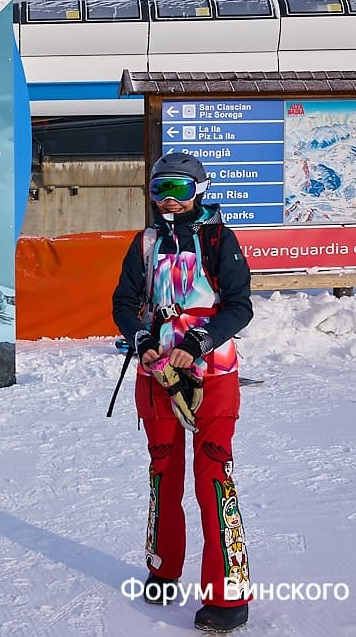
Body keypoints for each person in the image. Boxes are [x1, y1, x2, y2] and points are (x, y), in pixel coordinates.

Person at [111, 151, 254, 633]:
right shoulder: (146, 242)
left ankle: (227, 594)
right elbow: (124, 302)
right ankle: (163, 567)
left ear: (200, 190)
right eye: (160, 190)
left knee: (213, 472)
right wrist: (144, 340)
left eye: (179, 190)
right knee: (163, 471)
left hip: (210, 376)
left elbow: (239, 307)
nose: (169, 201)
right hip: (158, 378)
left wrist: (198, 342)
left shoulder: (219, 239)